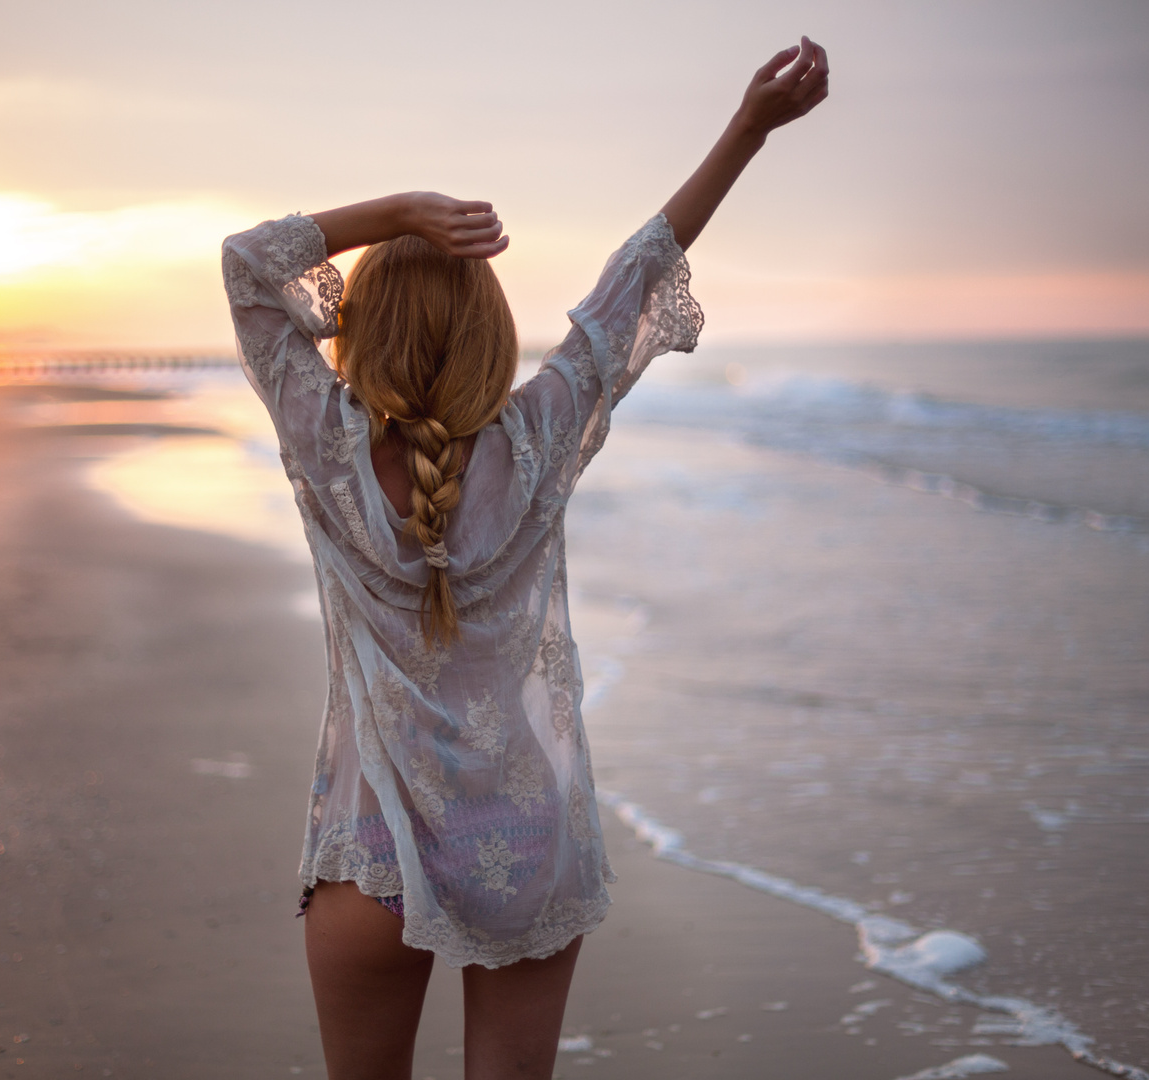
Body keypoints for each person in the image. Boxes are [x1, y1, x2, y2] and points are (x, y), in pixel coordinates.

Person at [220, 37, 829, 1080]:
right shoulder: (540, 440)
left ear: (357, 333)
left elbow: (246, 262)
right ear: (488, 334)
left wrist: (401, 211)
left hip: (374, 848)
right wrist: (746, 130)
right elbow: (631, 280)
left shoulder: (327, 446)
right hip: (525, 838)